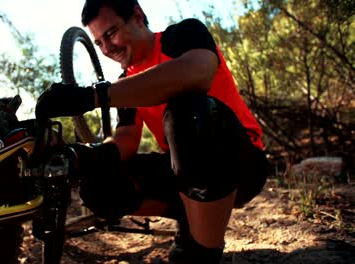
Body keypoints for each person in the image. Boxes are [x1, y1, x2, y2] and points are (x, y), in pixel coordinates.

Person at [36, 0, 270, 263]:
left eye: (110, 34)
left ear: (137, 15)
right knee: (99, 185)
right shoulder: (126, 82)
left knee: (187, 110)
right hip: (185, 172)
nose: (107, 48)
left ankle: (203, 253)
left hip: (241, 162)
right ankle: (191, 221)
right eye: (99, 42)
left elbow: (198, 71)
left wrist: (93, 96)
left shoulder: (182, 34)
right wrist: (87, 157)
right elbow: (127, 139)